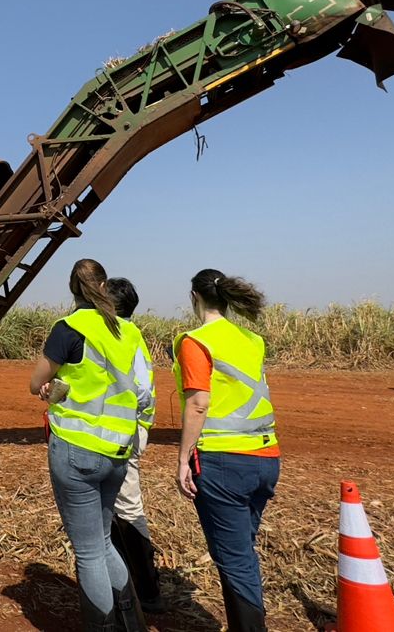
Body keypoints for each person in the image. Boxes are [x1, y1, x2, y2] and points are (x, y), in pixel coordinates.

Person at [30, 258, 151, 631]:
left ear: (73, 289)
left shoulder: (67, 328)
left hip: (77, 451)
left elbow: (37, 383)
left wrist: (51, 387)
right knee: (101, 541)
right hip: (117, 451)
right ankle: (133, 622)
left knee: (88, 552)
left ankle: (103, 626)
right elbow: (140, 390)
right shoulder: (128, 332)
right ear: (103, 286)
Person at [174, 270, 279, 632]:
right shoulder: (252, 339)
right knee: (240, 552)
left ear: (194, 297)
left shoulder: (195, 341)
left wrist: (183, 458)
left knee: (234, 559)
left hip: (223, 464)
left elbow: (199, 403)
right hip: (266, 459)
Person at [106, 277, 162, 612]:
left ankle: (147, 590)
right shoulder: (127, 334)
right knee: (115, 508)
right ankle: (124, 580)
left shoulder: (125, 334)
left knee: (127, 508)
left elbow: (140, 389)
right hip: (122, 430)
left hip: (124, 433)